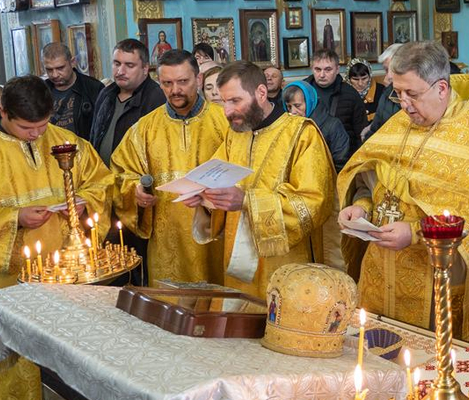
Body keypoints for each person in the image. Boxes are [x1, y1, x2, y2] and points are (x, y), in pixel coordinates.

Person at [337, 42, 469, 342]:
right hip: (380, 273)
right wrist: (362, 205)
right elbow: (372, 177)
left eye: (413, 94)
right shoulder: (400, 122)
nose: (403, 104)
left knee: (428, 371)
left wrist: (416, 232)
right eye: (398, 93)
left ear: (441, 88)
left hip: (434, 280)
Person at [0, 76, 111, 400]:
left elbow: (102, 181)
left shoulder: (64, 141)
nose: (36, 135)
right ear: (3, 113)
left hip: (66, 280)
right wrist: (14, 218)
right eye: (27, 127)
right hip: (7, 288)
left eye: (42, 125)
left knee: (66, 363)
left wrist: (85, 202)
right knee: (14, 366)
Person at [181, 61, 333, 296]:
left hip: (285, 266)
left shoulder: (302, 134)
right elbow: (214, 179)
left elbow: (315, 204)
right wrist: (203, 198)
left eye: (235, 101)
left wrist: (246, 201)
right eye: (223, 102)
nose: (227, 112)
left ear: (261, 93)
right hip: (238, 265)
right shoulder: (236, 135)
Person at [111, 49, 228, 286]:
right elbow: (119, 172)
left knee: (218, 309)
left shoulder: (224, 121)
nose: (175, 90)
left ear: (199, 79)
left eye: (183, 81)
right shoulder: (144, 128)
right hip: (166, 241)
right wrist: (135, 192)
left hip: (216, 237)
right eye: (167, 83)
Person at [90, 39, 166, 166]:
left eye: (129, 65)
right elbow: (93, 136)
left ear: (145, 68)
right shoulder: (106, 94)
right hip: (103, 179)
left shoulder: (156, 97)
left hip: (137, 180)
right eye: (117, 64)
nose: (120, 71)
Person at [306, 49, 367, 155]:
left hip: (343, 158)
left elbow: (361, 132)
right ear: (312, 69)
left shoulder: (351, 94)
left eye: (328, 69)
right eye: (317, 69)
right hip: (308, 155)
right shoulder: (301, 91)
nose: (322, 75)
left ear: (337, 69)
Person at [42, 42, 103, 140]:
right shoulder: (40, 90)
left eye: (60, 68)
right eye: (49, 70)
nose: (55, 75)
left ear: (73, 62)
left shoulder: (93, 88)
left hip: (83, 150)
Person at [284, 80, 349, 169]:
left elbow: (341, 161)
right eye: (289, 106)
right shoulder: (287, 126)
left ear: (310, 102)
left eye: (298, 106)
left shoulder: (332, 125)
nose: (292, 112)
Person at [364, 43, 403, 140]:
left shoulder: (420, 96)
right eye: (386, 70)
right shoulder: (387, 92)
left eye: (394, 69)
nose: (388, 76)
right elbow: (376, 127)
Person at [346, 58, 385, 122]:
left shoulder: (381, 91)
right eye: (355, 79)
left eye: (364, 78)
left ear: (370, 77)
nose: (360, 83)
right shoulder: (343, 93)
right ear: (348, 79)